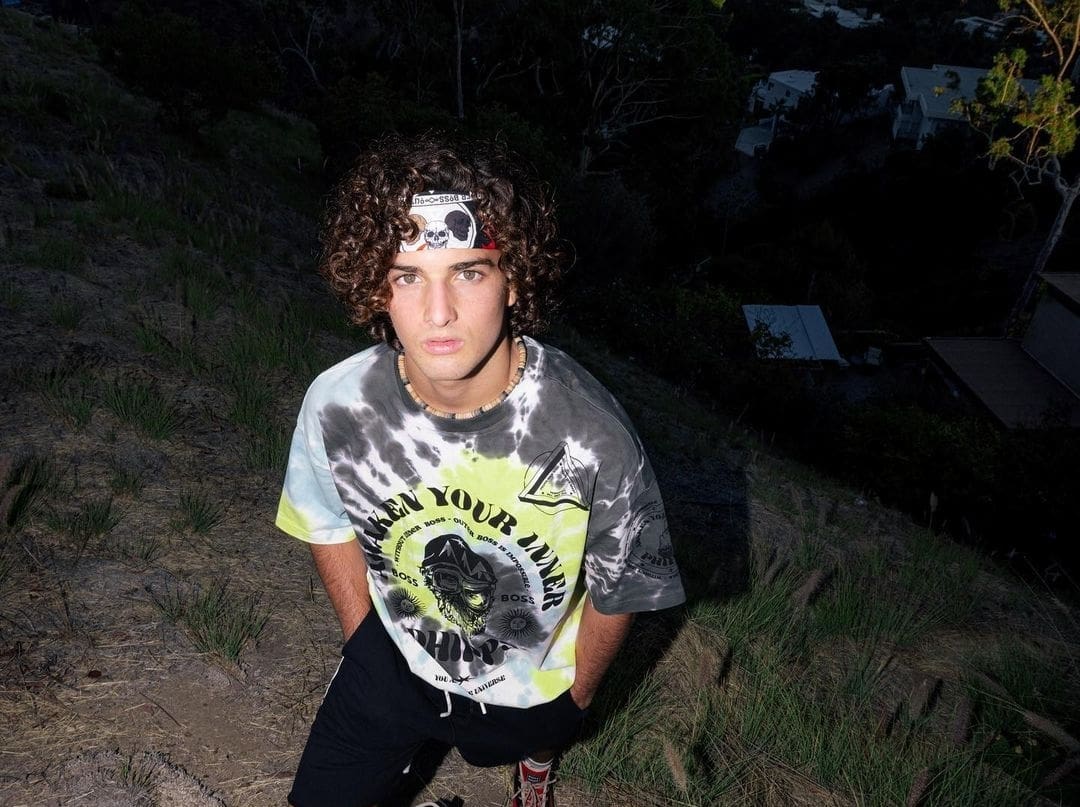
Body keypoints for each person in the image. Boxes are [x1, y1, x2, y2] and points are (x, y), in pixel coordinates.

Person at [276, 133, 685, 807]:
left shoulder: (593, 437)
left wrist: (573, 701)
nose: (438, 313)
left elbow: (621, 590)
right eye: (408, 276)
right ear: (377, 286)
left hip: (529, 686)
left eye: (468, 272)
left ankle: (537, 763)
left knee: (537, 737)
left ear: (514, 277)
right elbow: (323, 520)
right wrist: (365, 642)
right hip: (391, 662)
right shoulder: (338, 403)